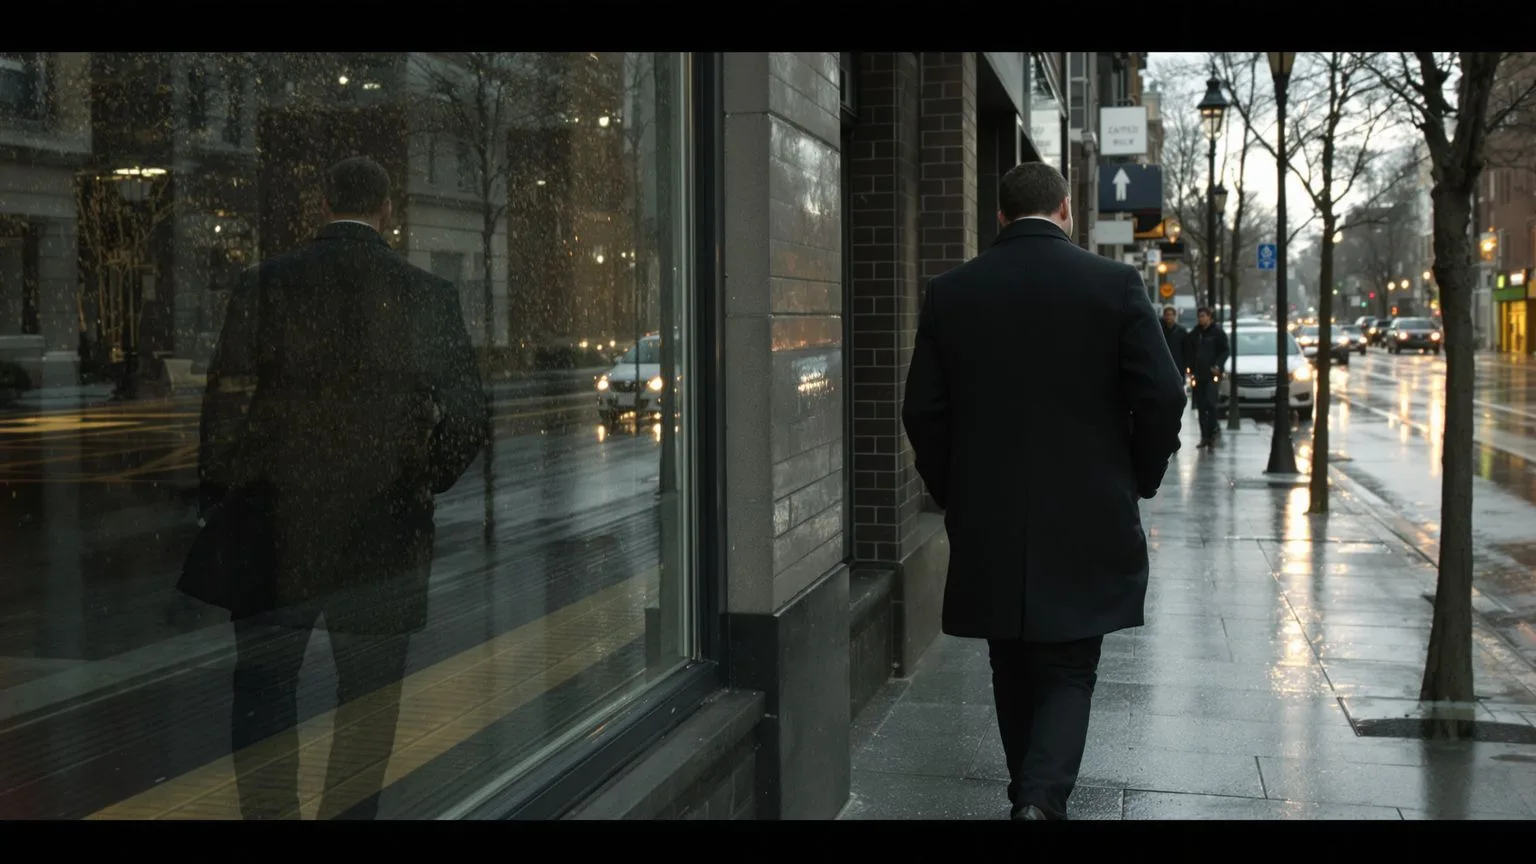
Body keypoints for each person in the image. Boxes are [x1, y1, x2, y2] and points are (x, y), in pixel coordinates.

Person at [193, 156, 487, 819]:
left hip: (276, 524)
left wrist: (220, 498)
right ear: (388, 211)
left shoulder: (266, 285)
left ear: (323, 202)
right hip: (382, 531)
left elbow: (226, 405)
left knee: (265, 690)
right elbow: (468, 416)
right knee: (368, 704)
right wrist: (421, 477)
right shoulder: (425, 295)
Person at [901, 162, 1186, 822]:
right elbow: (1165, 393)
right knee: (1069, 666)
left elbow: (924, 411)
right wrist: (1139, 475)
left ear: (999, 217)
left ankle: (1029, 792)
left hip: (989, 514)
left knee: (1010, 660)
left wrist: (953, 491)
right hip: (1089, 512)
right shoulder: (1114, 285)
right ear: (1065, 210)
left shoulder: (952, 292)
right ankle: (1039, 801)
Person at [1187, 307, 1229, 449]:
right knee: (1201, 407)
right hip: (1198, 375)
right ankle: (1204, 436)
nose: (1201, 319)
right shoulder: (1195, 333)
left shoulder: (1217, 333)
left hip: (1211, 375)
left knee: (1211, 405)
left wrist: (1218, 365)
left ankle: (1211, 434)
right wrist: (1190, 369)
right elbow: (1190, 351)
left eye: (1204, 316)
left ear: (1210, 317)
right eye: (1199, 316)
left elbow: (1225, 350)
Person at [1161, 306, 1190, 390]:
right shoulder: (1161, 331)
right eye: (1167, 315)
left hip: (1178, 366)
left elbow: (1187, 350)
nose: (1169, 317)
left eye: (1171, 315)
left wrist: (1186, 366)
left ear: (1175, 316)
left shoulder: (1181, 331)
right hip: (1164, 366)